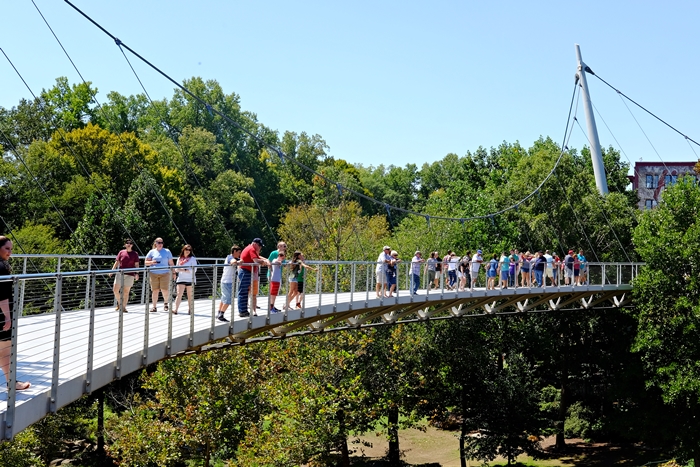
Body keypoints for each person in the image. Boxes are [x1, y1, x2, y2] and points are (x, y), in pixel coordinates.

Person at [0, 236, 30, 391]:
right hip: (1, 314)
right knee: (5, 351)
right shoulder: (2, 267)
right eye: (7, 249)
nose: (9, 252)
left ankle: (11, 382)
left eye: (11, 249)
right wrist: (7, 317)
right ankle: (12, 383)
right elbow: (2, 296)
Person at [238, 238, 269, 318]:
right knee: (243, 292)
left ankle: (244, 311)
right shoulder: (251, 249)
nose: (260, 248)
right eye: (259, 246)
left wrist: (265, 260)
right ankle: (242, 311)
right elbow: (256, 260)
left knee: (244, 291)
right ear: (255, 244)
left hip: (246, 271)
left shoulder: (249, 248)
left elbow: (258, 257)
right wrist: (264, 262)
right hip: (245, 271)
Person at [145, 237, 174, 313]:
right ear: (155, 243)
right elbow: (146, 262)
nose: (160, 244)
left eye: (161, 242)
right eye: (159, 242)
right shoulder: (151, 252)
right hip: (153, 273)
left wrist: (174, 272)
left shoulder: (167, 251)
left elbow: (171, 263)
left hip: (165, 273)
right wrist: (152, 262)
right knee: (155, 291)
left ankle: (166, 304)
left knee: (164, 290)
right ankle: (154, 307)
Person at [109, 239, 139, 312]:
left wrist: (137, 273)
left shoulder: (135, 254)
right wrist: (112, 271)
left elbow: (137, 264)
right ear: (125, 244)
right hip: (120, 273)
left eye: (130, 243)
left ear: (132, 245)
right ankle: (121, 304)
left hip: (130, 274)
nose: (129, 244)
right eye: (127, 243)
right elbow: (117, 262)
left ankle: (123, 307)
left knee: (126, 292)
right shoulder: (121, 252)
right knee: (115, 290)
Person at [217, 245, 241, 322]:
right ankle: (221, 315)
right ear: (234, 251)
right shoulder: (230, 257)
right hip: (227, 282)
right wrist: (239, 262)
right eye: (239, 252)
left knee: (224, 298)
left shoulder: (233, 257)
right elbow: (233, 262)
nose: (239, 254)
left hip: (225, 281)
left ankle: (219, 313)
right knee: (228, 299)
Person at [173, 244, 197, 314]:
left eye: (189, 250)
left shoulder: (192, 259)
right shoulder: (179, 258)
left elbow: (194, 270)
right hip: (181, 279)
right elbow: (176, 269)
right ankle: (175, 309)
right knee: (179, 294)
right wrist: (185, 270)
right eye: (186, 249)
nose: (188, 251)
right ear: (183, 250)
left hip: (190, 279)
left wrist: (183, 269)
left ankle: (190, 309)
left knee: (190, 295)